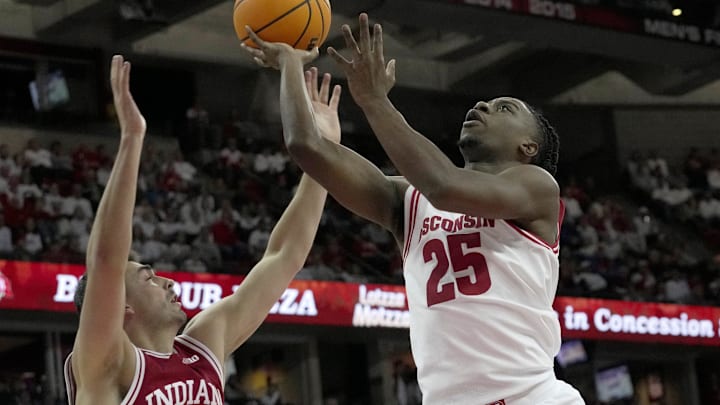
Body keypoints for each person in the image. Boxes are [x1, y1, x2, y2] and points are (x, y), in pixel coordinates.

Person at [240, 12, 584, 405]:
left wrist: (372, 100)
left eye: (504, 108)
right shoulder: (408, 200)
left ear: (529, 148)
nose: (484, 105)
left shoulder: (537, 187)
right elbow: (307, 147)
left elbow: (443, 185)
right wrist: (289, 65)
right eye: (487, 101)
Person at [63, 54, 335, 404]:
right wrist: (132, 137)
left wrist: (325, 157)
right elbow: (105, 261)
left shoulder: (204, 346)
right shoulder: (109, 366)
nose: (169, 282)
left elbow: (285, 256)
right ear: (122, 306)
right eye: (148, 278)